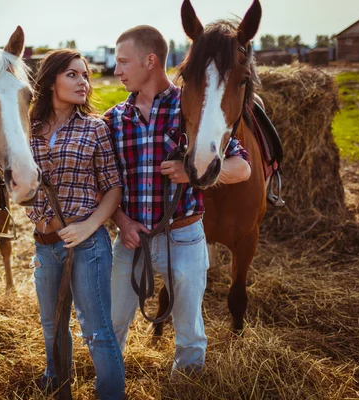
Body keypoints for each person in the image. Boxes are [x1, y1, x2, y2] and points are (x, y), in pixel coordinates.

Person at [103, 26, 251, 377]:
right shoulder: (114, 119)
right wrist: (122, 222)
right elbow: (104, 183)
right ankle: (109, 383)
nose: (116, 69)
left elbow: (241, 167)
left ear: (150, 61)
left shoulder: (191, 108)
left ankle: (186, 386)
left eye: (123, 61)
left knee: (189, 331)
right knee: (112, 322)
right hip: (130, 241)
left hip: (183, 236)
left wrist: (193, 173)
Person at [26, 49, 125, 399]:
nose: (83, 82)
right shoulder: (28, 130)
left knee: (97, 331)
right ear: (51, 80)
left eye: (85, 75)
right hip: (43, 243)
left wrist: (89, 226)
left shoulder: (94, 128)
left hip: (87, 244)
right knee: (52, 328)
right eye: (73, 74)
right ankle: (58, 390)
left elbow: (114, 187)